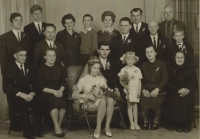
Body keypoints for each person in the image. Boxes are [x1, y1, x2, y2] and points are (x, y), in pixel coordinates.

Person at [3, 46, 43, 139]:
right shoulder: (9, 68)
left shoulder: (29, 66)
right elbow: (6, 88)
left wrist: (32, 93)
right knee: (22, 104)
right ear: (15, 56)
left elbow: (35, 83)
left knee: (40, 102)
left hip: (28, 94)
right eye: (21, 55)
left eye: (25, 55)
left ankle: (36, 129)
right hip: (15, 96)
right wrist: (21, 94)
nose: (24, 57)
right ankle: (27, 131)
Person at [72, 56, 115, 138]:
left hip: (102, 101)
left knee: (110, 100)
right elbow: (74, 95)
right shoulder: (83, 80)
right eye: (94, 68)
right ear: (90, 68)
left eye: (98, 68)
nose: (96, 70)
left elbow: (106, 92)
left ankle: (107, 127)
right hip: (89, 102)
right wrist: (86, 95)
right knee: (103, 101)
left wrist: (103, 92)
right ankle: (98, 128)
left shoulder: (102, 79)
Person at [36, 49, 66, 137]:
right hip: (46, 92)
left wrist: (60, 91)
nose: (52, 58)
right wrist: (53, 91)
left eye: (54, 55)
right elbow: (40, 86)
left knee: (63, 104)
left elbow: (63, 83)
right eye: (49, 55)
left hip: (58, 91)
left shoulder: (60, 68)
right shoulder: (41, 69)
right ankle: (57, 127)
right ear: (45, 57)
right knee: (54, 104)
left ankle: (58, 126)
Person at [166, 51, 197, 132]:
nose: (179, 59)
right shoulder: (171, 69)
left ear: (184, 59)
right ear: (174, 58)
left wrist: (187, 89)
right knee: (176, 100)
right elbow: (169, 83)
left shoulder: (189, 69)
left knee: (188, 100)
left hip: (187, 91)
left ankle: (186, 124)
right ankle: (178, 124)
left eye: (181, 57)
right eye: (178, 57)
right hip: (175, 91)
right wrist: (178, 90)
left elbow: (194, 83)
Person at [140, 45, 168, 130]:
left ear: (155, 53)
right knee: (143, 99)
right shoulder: (143, 65)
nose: (149, 54)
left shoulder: (162, 64)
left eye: (151, 52)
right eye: (147, 52)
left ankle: (156, 121)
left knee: (158, 101)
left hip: (158, 88)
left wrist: (157, 89)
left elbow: (165, 79)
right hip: (146, 88)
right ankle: (145, 121)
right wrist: (143, 90)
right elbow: (140, 80)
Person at [118, 51, 142, 130]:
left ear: (134, 60)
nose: (130, 61)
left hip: (135, 89)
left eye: (132, 59)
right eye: (128, 59)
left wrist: (139, 91)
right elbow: (121, 80)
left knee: (135, 106)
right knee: (129, 106)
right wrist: (125, 85)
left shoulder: (137, 69)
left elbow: (139, 81)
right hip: (128, 89)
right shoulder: (123, 70)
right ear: (125, 60)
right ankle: (131, 123)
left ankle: (136, 123)